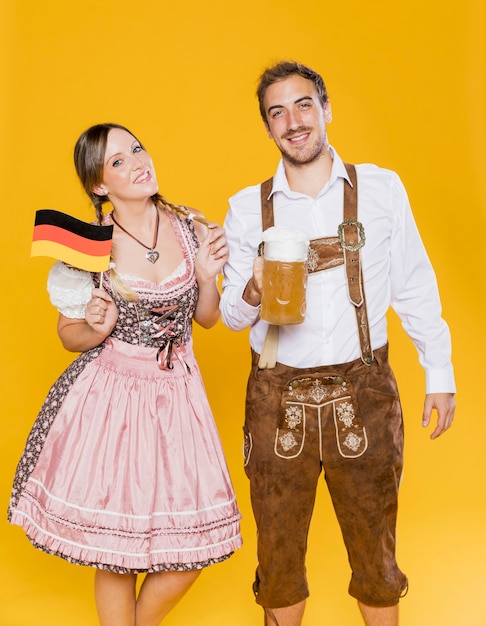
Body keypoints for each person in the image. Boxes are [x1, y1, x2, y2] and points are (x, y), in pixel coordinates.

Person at [220, 61, 456, 626]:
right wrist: (254, 285)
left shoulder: (380, 187)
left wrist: (439, 372)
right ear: (268, 127)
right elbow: (230, 315)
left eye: (303, 105)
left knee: (376, 560)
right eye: (277, 112)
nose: (293, 121)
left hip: (365, 392)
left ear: (325, 109)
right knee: (278, 561)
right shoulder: (245, 208)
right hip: (277, 401)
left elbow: (414, 283)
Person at [8, 123, 242, 626]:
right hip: (113, 394)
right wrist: (95, 326)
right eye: (117, 161)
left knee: (191, 548)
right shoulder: (89, 245)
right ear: (98, 185)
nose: (137, 162)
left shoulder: (189, 225)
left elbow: (206, 318)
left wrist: (205, 277)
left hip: (179, 394)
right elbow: (69, 334)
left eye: (137, 148)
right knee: (115, 554)